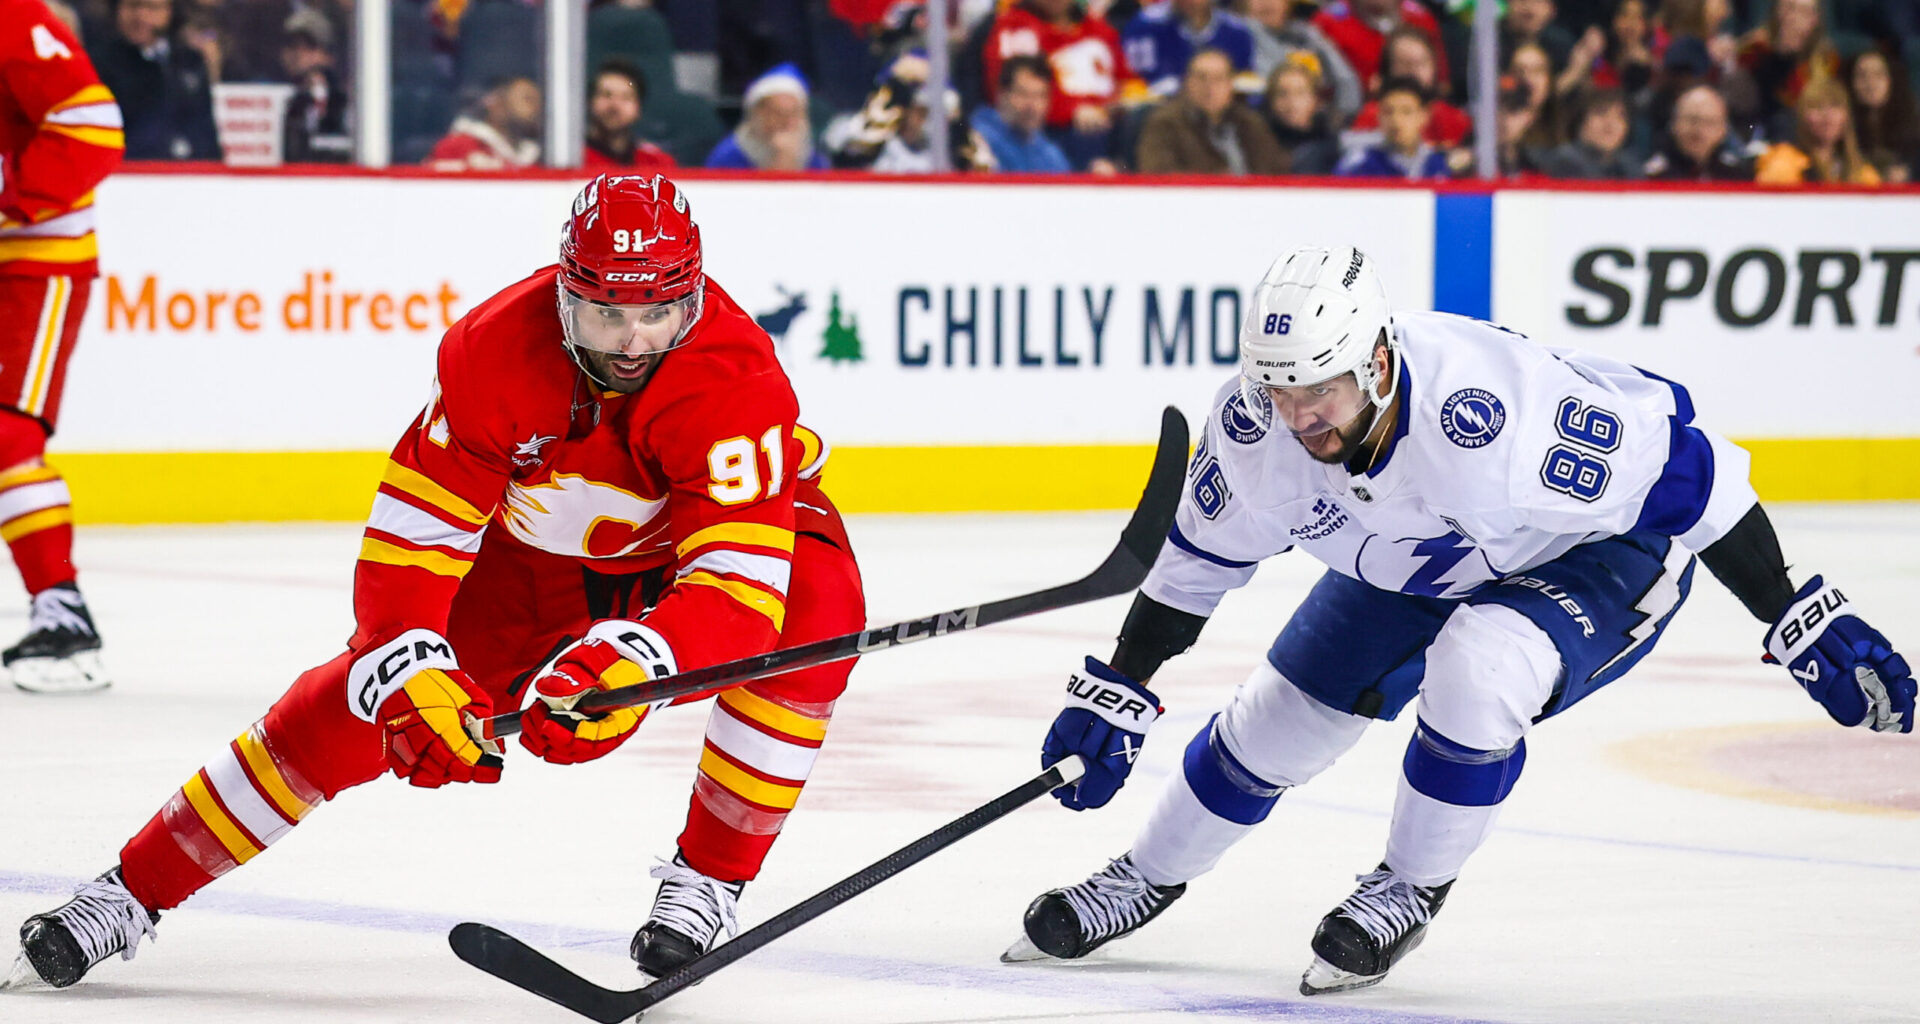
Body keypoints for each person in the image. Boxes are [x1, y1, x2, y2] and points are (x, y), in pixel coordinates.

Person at [9, 173, 868, 990]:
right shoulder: (494, 350)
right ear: (566, 295)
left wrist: (639, 664)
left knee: (818, 609)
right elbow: (409, 550)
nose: (636, 342)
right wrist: (409, 660)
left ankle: (709, 881)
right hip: (535, 567)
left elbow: (737, 592)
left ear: (696, 294)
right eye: (608, 314)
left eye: (661, 312)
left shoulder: (735, 373)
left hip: (679, 572)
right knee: (359, 701)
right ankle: (128, 891)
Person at [1001, 244, 1914, 995]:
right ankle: (1143, 876)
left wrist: (1798, 612)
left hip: (1595, 554)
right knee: (1278, 718)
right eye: (1279, 390)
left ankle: (1408, 886)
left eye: (1319, 388)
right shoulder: (1258, 425)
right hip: (1423, 555)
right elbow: (1196, 566)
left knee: (1478, 670)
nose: (1298, 415)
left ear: (1380, 362)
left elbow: (1698, 476)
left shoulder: (1499, 419)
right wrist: (1124, 684)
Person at [0, 0, 123, 693]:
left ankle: (64, 613)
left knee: (7, 435)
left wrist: (13, 194)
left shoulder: (12, 15)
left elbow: (92, 127)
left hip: (34, 264)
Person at [980, 0, 1127, 170]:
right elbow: (1020, 87)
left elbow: (1126, 79)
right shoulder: (1017, 26)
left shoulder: (1099, 29)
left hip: (1108, 125)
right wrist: (1072, 110)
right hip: (1053, 130)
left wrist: (1111, 109)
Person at [85, 0, 221, 160]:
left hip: (191, 174)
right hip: (128, 173)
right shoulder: (98, 63)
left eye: (152, 8)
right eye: (133, 6)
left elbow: (205, 128)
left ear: (170, 11)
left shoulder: (190, 60)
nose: (141, 16)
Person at [1135, 47, 1287, 175]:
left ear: (1230, 85)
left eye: (1218, 78)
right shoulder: (1166, 123)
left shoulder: (1249, 122)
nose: (1209, 86)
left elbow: (1276, 169)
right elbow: (1158, 173)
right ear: (1188, 82)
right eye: (1202, 78)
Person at [1245, 0, 1361, 125]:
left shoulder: (1308, 34)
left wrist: (1337, 120)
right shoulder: (1237, 35)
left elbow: (1347, 81)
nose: (1267, 4)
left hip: (1312, 124)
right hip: (1260, 121)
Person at [1755, 76, 1881, 186]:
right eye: (1816, 107)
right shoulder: (1783, 163)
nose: (1827, 116)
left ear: (1846, 116)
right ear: (1801, 116)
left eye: (1835, 106)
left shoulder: (1863, 173)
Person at [706, 62, 829, 171]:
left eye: (794, 113)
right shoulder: (728, 157)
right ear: (757, 114)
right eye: (778, 113)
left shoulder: (814, 160)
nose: (786, 121)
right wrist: (783, 159)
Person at [1121, 0, 1255, 97]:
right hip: (1161, 108)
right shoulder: (1145, 25)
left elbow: (1243, 81)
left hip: (1222, 107)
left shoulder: (1236, 30)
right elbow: (1135, 80)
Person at [971, 54, 1072, 173]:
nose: (1032, 105)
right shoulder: (977, 138)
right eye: (1023, 94)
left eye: (1040, 96)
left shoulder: (1051, 155)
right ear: (1002, 95)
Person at [1335, 77, 1449, 179]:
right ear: (1379, 116)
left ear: (1423, 116)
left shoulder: (1437, 164)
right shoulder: (1359, 164)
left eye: (1406, 112)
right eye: (1388, 112)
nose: (1396, 120)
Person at [426, 75, 542, 171]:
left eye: (538, 101)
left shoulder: (532, 155)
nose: (535, 108)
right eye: (527, 99)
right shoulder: (457, 146)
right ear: (497, 105)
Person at [279, 8, 351, 164]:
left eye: (309, 46)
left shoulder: (344, 103)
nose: (298, 53)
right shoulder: (286, 101)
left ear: (328, 55)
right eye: (292, 45)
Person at [1645, 82, 1751, 180]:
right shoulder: (1655, 177)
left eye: (1709, 122)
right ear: (1674, 124)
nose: (1699, 129)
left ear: (1723, 130)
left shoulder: (1735, 176)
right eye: (1692, 119)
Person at [583, 59, 676, 172]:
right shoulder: (574, 159)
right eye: (606, 95)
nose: (615, 105)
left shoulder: (658, 163)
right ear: (590, 102)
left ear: (638, 108)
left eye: (626, 97)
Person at [1533, 86, 1642, 179]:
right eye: (1601, 113)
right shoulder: (1564, 162)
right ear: (1580, 121)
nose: (1610, 124)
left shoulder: (1630, 166)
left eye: (1620, 117)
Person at [1263, 61, 1340, 175]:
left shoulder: (1333, 148)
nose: (1292, 103)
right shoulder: (1260, 143)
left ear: (1315, 100)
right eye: (1282, 94)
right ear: (1271, 100)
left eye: (1300, 93)